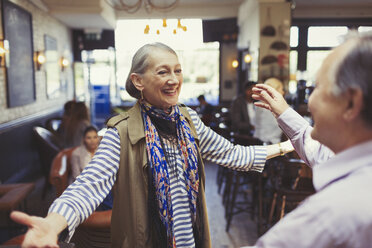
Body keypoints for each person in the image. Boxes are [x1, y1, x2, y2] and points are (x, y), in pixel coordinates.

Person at [11, 42, 294, 248]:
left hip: (191, 239)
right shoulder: (120, 133)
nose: (173, 80)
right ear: (138, 81)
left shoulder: (189, 120)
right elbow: (89, 185)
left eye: (178, 71)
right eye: (162, 72)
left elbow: (232, 154)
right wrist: (53, 223)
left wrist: (291, 145)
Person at [250, 32, 372, 247]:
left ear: (351, 103)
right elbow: (315, 149)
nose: (310, 101)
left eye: (317, 88)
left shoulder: (333, 213)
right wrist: (283, 111)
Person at [70, 126, 113, 211]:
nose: (92, 140)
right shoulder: (76, 153)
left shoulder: (103, 151)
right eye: (89, 138)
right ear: (83, 140)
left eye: (95, 137)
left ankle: (109, 214)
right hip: (84, 186)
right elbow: (76, 176)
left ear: (99, 138)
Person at [254, 78, 284, 144]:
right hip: (269, 144)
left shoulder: (260, 104)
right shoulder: (273, 107)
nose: (283, 92)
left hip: (258, 141)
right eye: (282, 89)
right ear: (276, 90)